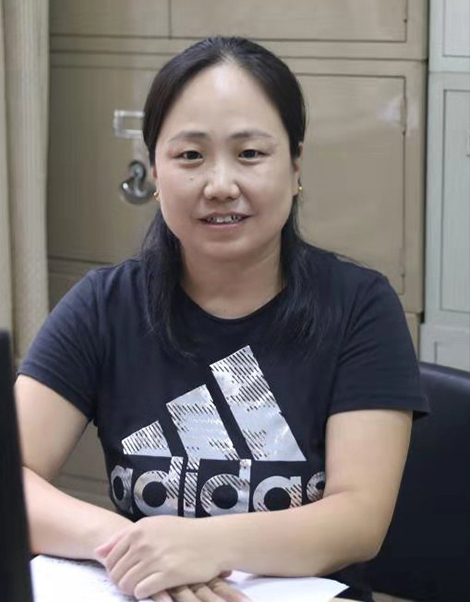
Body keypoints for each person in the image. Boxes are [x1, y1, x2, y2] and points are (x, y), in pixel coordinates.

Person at [15, 36, 428, 602]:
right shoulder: (104, 306)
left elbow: (358, 519)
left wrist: (202, 545)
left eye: (250, 153)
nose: (220, 185)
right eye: (190, 156)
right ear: (154, 170)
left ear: (295, 165)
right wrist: (132, 545)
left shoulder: (359, 306)